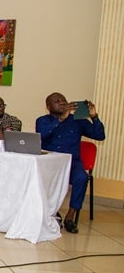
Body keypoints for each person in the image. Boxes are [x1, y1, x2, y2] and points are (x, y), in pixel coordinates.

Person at [36, 93, 105, 234]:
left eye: (64, 100)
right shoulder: (42, 120)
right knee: (37, 176)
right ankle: (50, 211)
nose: (62, 103)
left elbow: (99, 135)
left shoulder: (77, 121)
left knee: (82, 178)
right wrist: (61, 119)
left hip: (72, 162)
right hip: (50, 162)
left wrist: (94, 116)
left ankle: (70, 216)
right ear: (48, 107)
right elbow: (42, 134)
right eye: (57, 101)